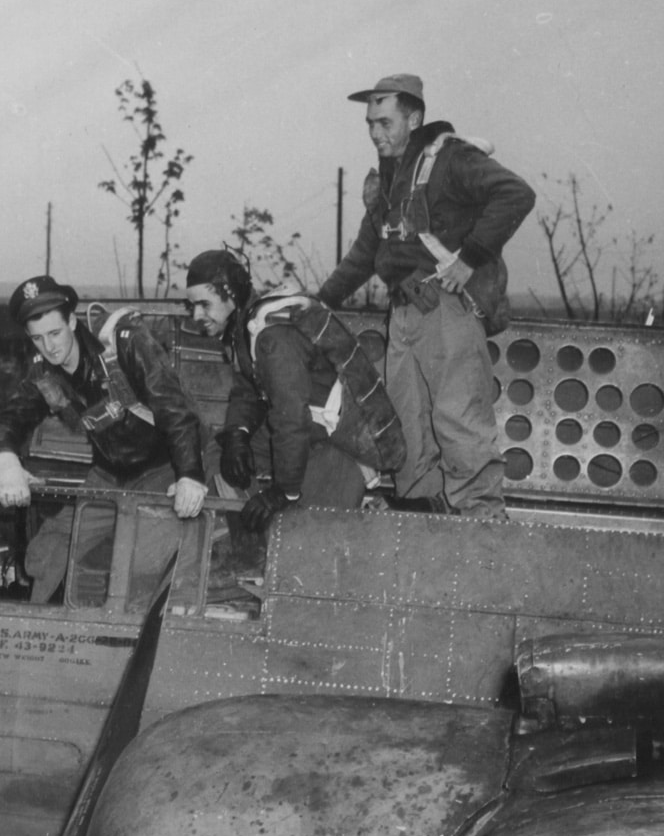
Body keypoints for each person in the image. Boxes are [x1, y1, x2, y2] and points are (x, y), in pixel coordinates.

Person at [316, 74, 535, 519]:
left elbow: (516, 194)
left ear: (414, 118)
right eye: (370, 124)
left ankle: (483, 528)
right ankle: (423, 520)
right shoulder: (388, 183)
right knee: (407, 427)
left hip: (446, 310)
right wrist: (320, 301)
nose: (376, 134)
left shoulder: (450, 159)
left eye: (385, 122)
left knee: (459, 422)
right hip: (403, 317)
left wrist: (470, 257)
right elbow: (365, 253)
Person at [0, 274, 206, 602]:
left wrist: (189, 475)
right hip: (108, 475)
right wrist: (6, 465)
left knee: (144, 562)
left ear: (72, 322)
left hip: (162, 469)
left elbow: (174, 408)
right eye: (37, 339)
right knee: (46, 550)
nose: (49, 347)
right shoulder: (44, 373)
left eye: (55, 333)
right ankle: (45, 624)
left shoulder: (123, 342)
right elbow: (10, 420)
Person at [184, 249, 405, 535]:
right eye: (192, 306)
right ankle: (245, 536)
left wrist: (283, 491)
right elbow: (248, 386)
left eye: (204, 304)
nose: (196, 315)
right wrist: (238, 433)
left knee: (306, 544)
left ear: (231, 294)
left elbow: (291, 420)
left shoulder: (273, 338)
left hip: (341, 442)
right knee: (220, 448)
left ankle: (271, 528)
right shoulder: (245, 327)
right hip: (308, 430)